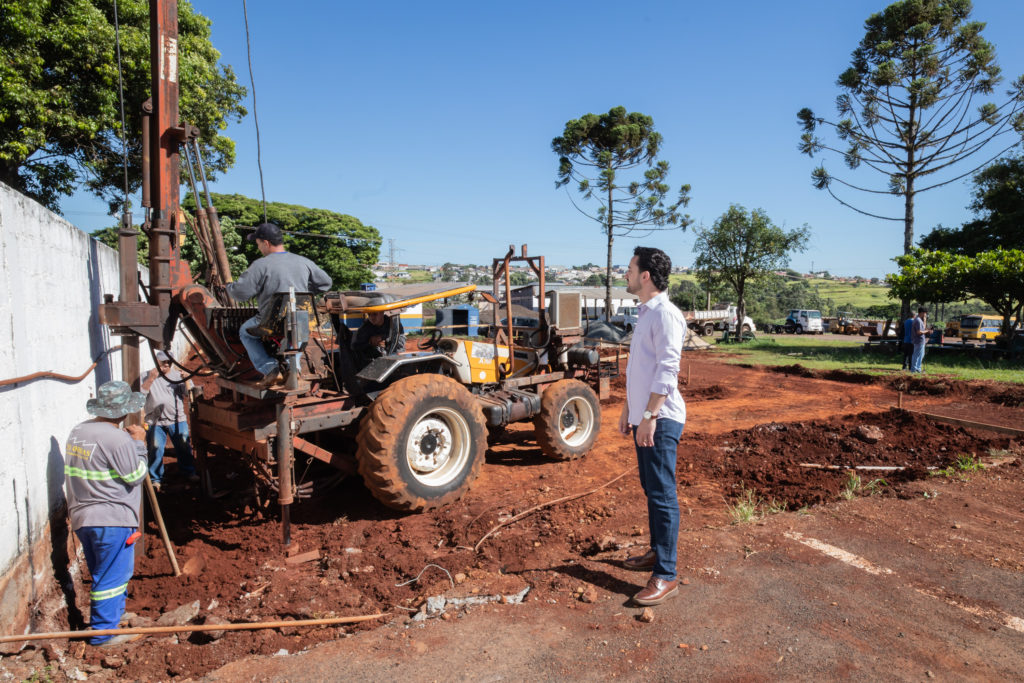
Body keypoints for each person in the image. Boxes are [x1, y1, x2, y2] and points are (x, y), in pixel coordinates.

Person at [617, 246, 687, 606]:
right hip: (644, 416)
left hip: (661, 418)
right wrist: (630, 411)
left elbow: (667, 370)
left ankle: (666, 574)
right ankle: (657, 552)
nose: (625, 274)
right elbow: (638, 370)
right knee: (651, 488)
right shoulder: (645, 313)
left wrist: (649, 416)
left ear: (645, 275)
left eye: (629, 269)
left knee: (661, 493)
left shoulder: (666, 315)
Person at [64, 381, 148, 647]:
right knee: (112, 576)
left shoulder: (78, 432)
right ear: (123, 411)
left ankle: (114, 617)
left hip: (83, 518)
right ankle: (103, 634)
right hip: (112, 518)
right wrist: (138, 445)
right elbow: (135, 476)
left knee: (103, 572)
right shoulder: (117, 438)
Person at [226, 222, 332, 387]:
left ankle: (270, 370)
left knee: (245, 332)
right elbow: (326, 283)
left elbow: (241, 294)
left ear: (266, 243)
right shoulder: (304, 262)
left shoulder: (260, 265)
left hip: (270, 323)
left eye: (258, 244)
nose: (259, 248)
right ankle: (293, 370)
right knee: (296, 334)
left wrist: (228, 287)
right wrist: (304, 290)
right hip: (301, 321)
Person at [142, 351, 197, 490]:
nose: (166, 365)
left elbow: (188, 393)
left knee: (184, 445)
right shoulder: (145, 376)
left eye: (168, 362)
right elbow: (140, 396)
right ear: (156, 362)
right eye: (163, 362)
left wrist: (186, 380)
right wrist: (150, 379)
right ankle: (156, 479)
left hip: (176, 419)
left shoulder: (177, 376)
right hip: (155, 421)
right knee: (155, 448)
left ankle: (188, 472)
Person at [910, 307, 929, 373]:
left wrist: (925, 320)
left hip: (920, 340)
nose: (926, 314)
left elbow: (923, 328)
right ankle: (914, 369)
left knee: (921, 355)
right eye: (925, 313)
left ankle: (918, 368)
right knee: (916, 355)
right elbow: (919, 332)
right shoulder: (918, 320)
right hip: (918, 340)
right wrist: (927, 331)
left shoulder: (919, 320)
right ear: (922, 312)